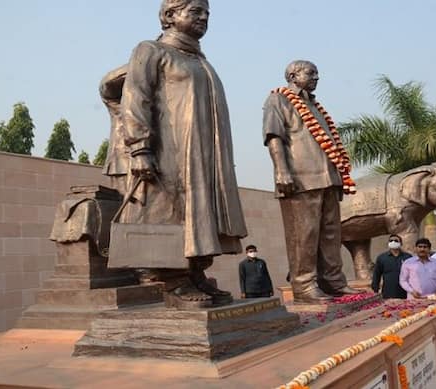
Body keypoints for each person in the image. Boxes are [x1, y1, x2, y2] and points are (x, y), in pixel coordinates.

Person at [108, 0, 248, 305]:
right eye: (196, 11)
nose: (204, 17)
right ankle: (171, 279)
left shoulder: (201, 61)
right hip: (169, 150)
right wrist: (141, 148)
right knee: (168, 211)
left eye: (207, 13)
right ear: (170, 16)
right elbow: (136, 98)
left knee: (200, 212)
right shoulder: (151, 50)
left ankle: (194, 273)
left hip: (204, 154)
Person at [262, 60, 359, 304]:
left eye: (317, 72)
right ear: (293, 76)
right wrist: (281, 170)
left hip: (327, 177)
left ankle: (333, 281)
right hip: (301, 178)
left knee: (331, 235)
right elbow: (274, 137)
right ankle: (304, 285)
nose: (317, 77)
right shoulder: (279, 99)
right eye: (311, 72)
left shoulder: (315, 106)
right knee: (304, 235)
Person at [371, 234, 411, 299]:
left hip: (405, 291)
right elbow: (376, 274)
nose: (393, 242)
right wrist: (375, 288)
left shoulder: (407, 257)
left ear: (401, 243)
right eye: (391, 241)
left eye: (396, 241)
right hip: (388, 292)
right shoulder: (382, 258)